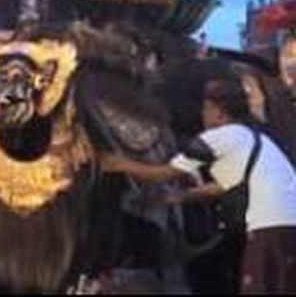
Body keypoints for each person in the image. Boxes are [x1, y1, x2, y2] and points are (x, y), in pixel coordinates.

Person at [103, 78, 296, 294]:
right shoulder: (251, 137)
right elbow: (223, 186)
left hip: (268, 226)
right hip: (287, 223)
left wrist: (117, 163)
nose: (203, 114)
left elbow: (163, 173)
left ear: (219, 112)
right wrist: (180, 197)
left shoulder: (219, 137)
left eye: (206, 108)